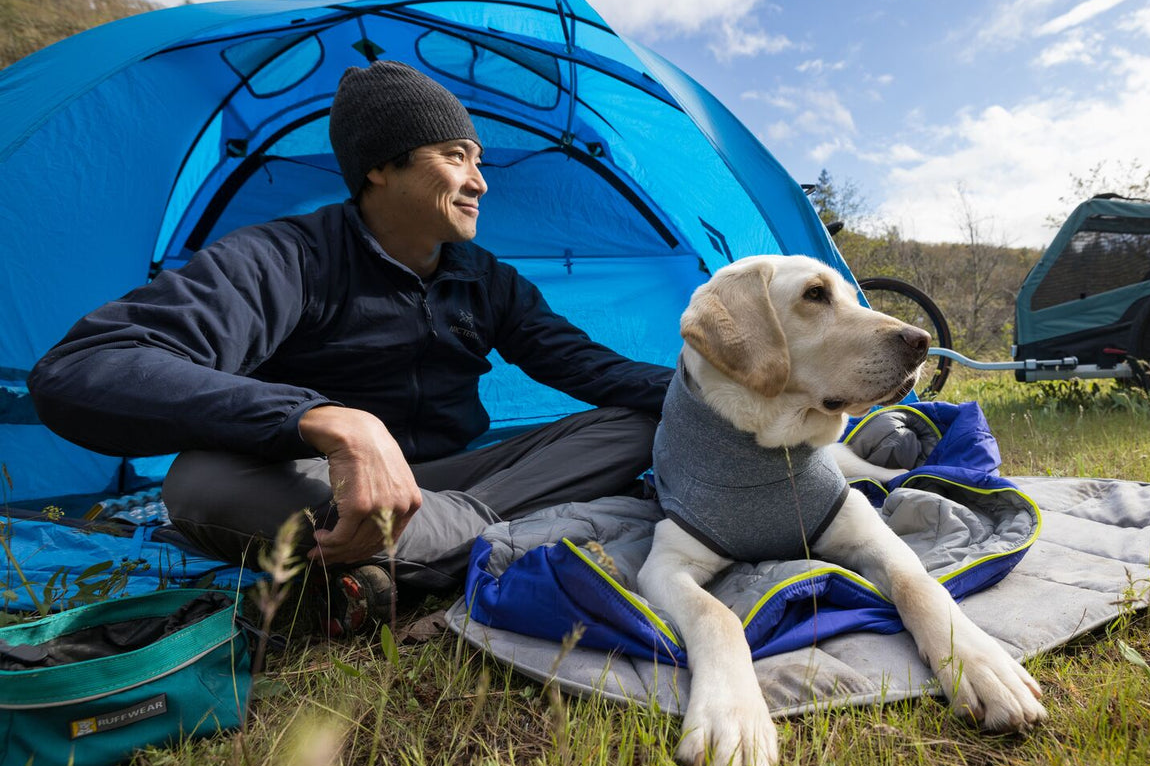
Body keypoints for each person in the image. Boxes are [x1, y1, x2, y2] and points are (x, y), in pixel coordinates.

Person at [27, 60, 674, 631]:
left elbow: (590, 368)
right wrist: (325, 419)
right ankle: (493, 539)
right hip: (324, 482)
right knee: (201, 482)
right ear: (380, 167)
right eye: (455, 156)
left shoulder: (488, 282)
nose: (479, 182)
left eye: (479, 161)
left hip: (457, 479)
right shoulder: (286, 258)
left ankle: (419, 548)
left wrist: (712, 390)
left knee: (642, 422)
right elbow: (83, 367)